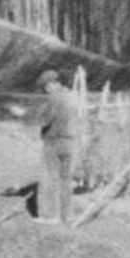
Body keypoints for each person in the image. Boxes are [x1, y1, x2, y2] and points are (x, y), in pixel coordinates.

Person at [34, 69, 83, 224]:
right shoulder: (73, 96)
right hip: (71, 142)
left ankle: (50, 215)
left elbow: (45, 120)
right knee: (66, 180)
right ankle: (67, 215)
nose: (45, 90)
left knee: (49, 178)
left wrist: (29, 115)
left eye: (46, 86)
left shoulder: (54, 98)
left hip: (55, 141)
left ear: (53, 84)